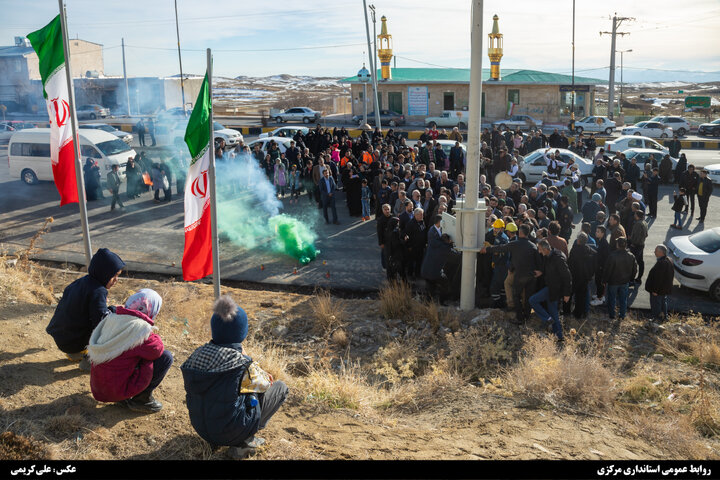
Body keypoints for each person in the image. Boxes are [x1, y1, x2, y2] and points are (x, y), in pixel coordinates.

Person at [182, 296, 288, 456]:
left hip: (202, 428)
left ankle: (217, 439)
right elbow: (266, 384)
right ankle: (244, 440)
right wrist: (248, 359)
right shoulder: (241, 364)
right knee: (281, 388)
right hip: (230, 432)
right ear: (241, 333)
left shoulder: (196, 355)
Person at [87, 289, 172, 413]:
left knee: (131, 354)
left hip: (98, 389)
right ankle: (141, 400)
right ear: (152, 310)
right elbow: (157, 350)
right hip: (116, 392)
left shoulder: (112, 318)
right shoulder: (140, 330)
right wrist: (152, 332)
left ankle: (126, 394)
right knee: (165, 357)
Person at [46, 248, 125, 371]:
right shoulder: (98, 291)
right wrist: (115, 310)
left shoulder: (81, 282)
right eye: (114, 275)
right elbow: (101, 321)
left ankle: (75, 353)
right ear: (104, 273)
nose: (116, 280)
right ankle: (90, 362)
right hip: (72, 341)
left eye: (118, 275)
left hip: (61, 336)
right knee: (109, 329)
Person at [482, 223, 540, 322]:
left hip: (519, 275)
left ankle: (519, 317)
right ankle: (527, 316)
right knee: (527, 296)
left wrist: (487, 249)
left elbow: (501, 248)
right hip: (531, 276)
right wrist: (539, 271)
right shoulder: (533, 246)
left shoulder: (515, 244)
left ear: (520, 233)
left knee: (516, 295)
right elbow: (538, 261)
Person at [529, 239, 572, 342]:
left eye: (540, 249)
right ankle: (559, 337)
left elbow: (567, 277)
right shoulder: (548, 256)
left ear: (545, 249)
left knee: (532, 300)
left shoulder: (558, 258)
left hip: (555, 289)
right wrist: (541, 272)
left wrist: (567, 294)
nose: (539, 252)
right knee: (554, 314)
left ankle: (547, 320)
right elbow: (548, 268)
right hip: (550, 287)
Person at [421, 215, 453, 304]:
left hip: (428, 270)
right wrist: (449, 244)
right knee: (444, 285)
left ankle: (429, 304)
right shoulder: (433, 233)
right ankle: (441, 302)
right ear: (440, 222)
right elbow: (442, 246)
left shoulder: (437, 233)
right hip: (434, 271)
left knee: (430, 289)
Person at [603, 237, 637, 321]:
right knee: (623, 299)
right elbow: (635, 269)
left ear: (617, 245)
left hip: (613, 282)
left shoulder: (612, 256)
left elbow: (607, 270)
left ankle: (612, 314)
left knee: (612, 298)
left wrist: (604, 280)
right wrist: (631, 279)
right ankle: (622, 315)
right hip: (625, 281)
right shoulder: (631, 256)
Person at [568, 232, 596, 319]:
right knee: (581, 296)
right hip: (584, 278)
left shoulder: (574, 250)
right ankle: (579, 313)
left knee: (570, 294)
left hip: (575, 277)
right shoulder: (590, 251)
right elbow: (594, 265)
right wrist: (590, 275)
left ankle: (567, 311)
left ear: (578, 240)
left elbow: (570, 264)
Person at [645, 245, 674, 322]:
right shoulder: (669, 260)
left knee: (656, 305)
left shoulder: (661, 263)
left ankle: (657, 319)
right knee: (663, 303)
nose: (654, 252)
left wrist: (655, 290)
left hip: (658, 291)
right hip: (664, 289)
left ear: (661, 252)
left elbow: (658, 278)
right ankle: (664, 317)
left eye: (656, 251)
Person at [402, 208, 427, 278]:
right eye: (421, 214)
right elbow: (407, 235)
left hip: (421, 246)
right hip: (413, 247)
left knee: (419, 261)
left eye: (422, 214)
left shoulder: (422, 221)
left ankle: (417, 274)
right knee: (411, 262)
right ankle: (410, 275)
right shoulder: (410, 224)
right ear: (415, 215)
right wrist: (409, 246)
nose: (422, 216)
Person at [591, 225, 610, 307]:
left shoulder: (604, 243)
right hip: (598, 266)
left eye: (598, 231)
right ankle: (600, 295)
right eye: (596, 231)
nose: (596, 232)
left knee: (600, 282)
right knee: (597, 281)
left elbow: (605, 257)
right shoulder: (600, 240)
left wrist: (601, 267)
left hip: (601, 267)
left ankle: (599, 298)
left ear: (603, 233)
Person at [628, 211, 648, 284]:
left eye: (635, 214)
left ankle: (631, 280)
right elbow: (646, 234)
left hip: (636, 246)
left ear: (637, 216)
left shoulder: (638, 224)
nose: (634, 215)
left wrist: (633, 243)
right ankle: (639, 278)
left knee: (633, 263)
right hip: (641, 244)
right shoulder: (644, 222)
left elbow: (636, 235)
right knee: (640, 262)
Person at [377, 204, 392, 270]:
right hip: (385, 241)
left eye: (388, 209)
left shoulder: (393, 217)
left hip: (392, 240)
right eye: (385, 210)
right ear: (383, 210)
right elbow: (379, 232)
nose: (387, 211)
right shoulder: (381, 220)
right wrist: (381, 243)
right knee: (384, 254)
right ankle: (385, 266)